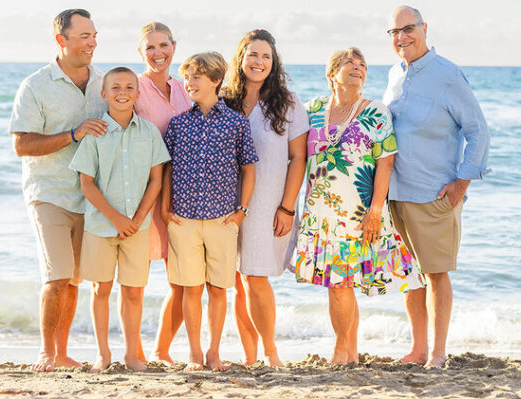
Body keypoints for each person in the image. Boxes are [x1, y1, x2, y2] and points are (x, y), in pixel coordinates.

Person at [292, 47, 423, 365]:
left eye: (362, 64)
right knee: (336, 285)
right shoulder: (313, 110)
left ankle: (342, 351)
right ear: (331, 73)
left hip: (358, 214)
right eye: (349, 62)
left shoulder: (376, 112)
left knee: (343, 284)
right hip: (321, 214)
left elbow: (386, 163)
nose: (357, 67)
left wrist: (376, 211)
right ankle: (348, 351)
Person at [382, 5, 490, 368]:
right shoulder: (394, 74)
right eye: (394, 32)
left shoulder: (448, 75)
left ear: (425, 28)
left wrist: (462, 182)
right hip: (396, 193)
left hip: (433, 193)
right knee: (411, 277)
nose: (401, 38)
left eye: (408, 29)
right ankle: (418, 349)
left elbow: (478, 130)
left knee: (436, 273)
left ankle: (438, 353)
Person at [9, 8, 107, 372]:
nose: (92, 43)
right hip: (48, 193)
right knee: (57, 276)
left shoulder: (102, 83)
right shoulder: (36, 85)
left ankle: (63, 353)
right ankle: (46, 353)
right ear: (61, 40)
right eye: (84, 36)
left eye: (94, 36)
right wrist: (72, 134)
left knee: (75, 280)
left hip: (89, 195)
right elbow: (22, 145)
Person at [69, 67, 171, 371]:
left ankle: (131, 354)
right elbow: (86, 182)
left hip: (138, 229)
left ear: (138, 94)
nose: (122, 92)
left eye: (129, 87)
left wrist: (138, 218)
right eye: (115, 88)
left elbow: (157, 179)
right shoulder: (96, 132)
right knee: (101, 288)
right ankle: (103, 353)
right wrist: (116, 219)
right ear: (104, 94)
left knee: (134, 290)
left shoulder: (149, 132)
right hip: (102, 226)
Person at [161, 51, 258, 371]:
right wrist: (165, 210)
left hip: (222, 220)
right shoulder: (177, 124)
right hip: (184, 220)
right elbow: (167, 170)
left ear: (217, 80)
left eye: (196, 77)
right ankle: (193, 354)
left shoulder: (236, 123)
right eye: (186, 76)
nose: (188, 82)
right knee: (190, 289)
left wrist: (241, 212)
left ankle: (214, 352)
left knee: (218, 290)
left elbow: (249, 169)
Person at [221, 29, 308, 367]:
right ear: (241, 58)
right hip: (225, 202)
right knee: (238, 283)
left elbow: (298, 158)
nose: (258, 62)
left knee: (255, 277)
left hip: (269, 202)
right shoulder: (225, 99)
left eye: (266, 56)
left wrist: (287, 207)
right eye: (253, 54)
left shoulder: (287, 103)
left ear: (274, 63)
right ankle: (249, 355)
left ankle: (271, 352)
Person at [133, 21, 192, 364]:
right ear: (140, 52)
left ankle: (161, 350)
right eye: (150, 47)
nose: (158, 53)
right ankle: (134, 350)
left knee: (181, 281)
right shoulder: (134, 87)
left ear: (174, 47)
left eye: (163, 46)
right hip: (143, 193)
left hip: (181, 195)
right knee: (135, 279)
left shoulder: (185, 88)